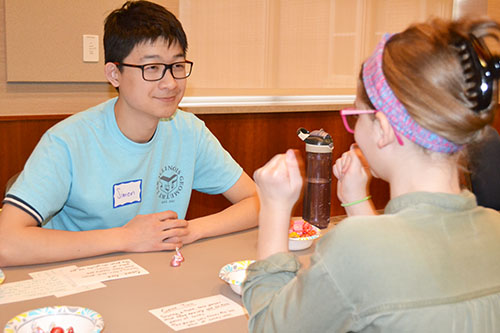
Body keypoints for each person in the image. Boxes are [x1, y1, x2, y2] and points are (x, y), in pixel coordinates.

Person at [243, 17, 500, 332]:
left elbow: (271, 327)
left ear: (384, 129)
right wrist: (356, 200)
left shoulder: (356, 246)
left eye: (357, 115)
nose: (354, 128)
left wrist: (274, 208)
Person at [0, 0, 258, 267]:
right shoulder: (67, 141)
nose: (170, 83)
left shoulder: (188, 132)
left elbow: (258, 202)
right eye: (152, 68)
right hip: (76, 280)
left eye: (177, 66)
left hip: (156, 274)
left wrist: (191, 230)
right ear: (114, 74)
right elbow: (6, 243)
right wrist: (126, 238)